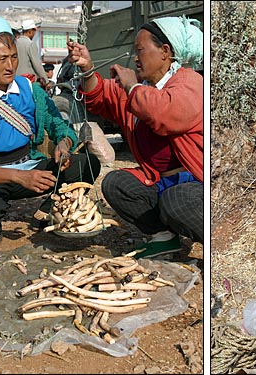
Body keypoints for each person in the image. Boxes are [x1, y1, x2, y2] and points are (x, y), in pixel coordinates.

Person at [0, 16, 101, 244]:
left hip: (30, 166)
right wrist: (19, 176)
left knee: (86, 163)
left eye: (14, 57)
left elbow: (59, 126)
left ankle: (46, 211)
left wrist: (64, 143)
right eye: (2, 59)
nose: (10, 65)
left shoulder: (30, 90)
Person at [67, 16, 203, 258]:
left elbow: (163, 113)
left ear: (165, 52)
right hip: (159, 181)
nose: (136, 58)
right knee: (116, 183)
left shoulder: (190, 82)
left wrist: (132, 87)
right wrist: (87, 69)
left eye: (140, 50)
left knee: (177, 201)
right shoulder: (142, 86)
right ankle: (163, 238)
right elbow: (100, 95)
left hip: (193, 183)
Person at [16, 19, 48, 85]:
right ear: (30, 31)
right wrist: (46, 81)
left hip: (15, 80)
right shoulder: (30, 44)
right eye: (34, 32)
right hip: (28, 81)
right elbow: (37, 64)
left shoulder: (15, 42)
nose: (34, 34)